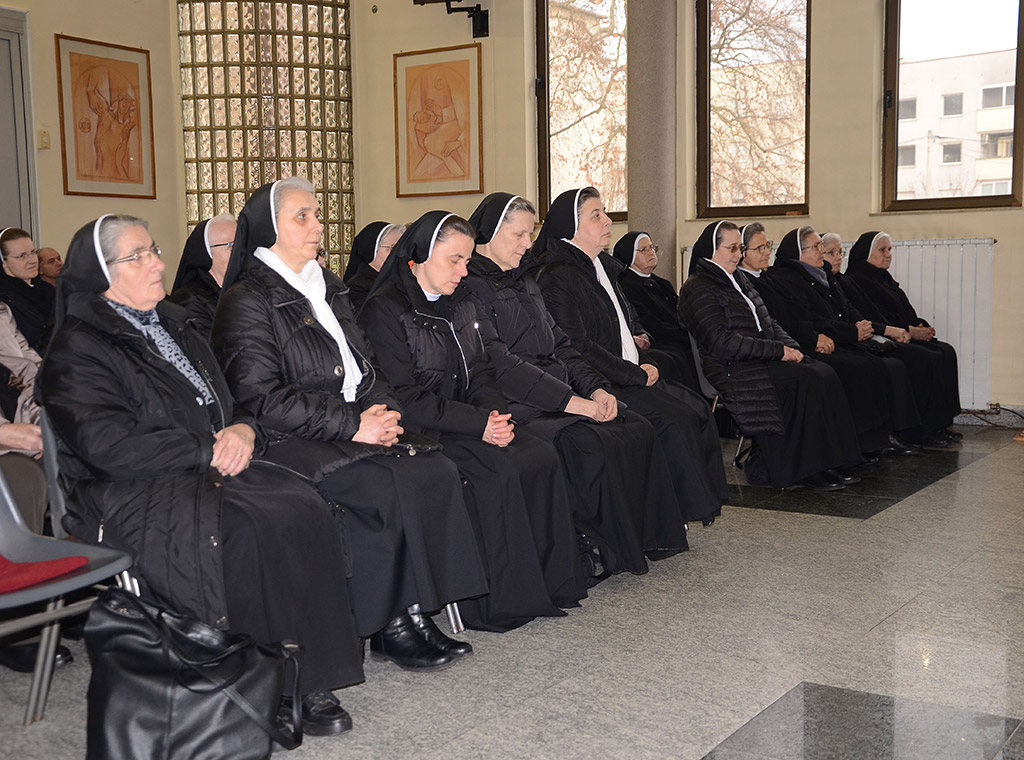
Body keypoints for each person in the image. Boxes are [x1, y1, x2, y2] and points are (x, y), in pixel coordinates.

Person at [38, 214, 360, 736]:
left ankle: (309, 672)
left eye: (154, 250)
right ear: (101, 272)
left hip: (206, 466)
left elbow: (233, 402)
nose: (156, 263)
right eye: (137, 256)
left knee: (304, 504)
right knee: (246, 530)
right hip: (125, 489)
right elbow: (108, 447)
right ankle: (263, 683)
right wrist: (206, 448)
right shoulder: (78, 347)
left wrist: (245, 431)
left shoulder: (175, 323)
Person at [213, 179, 487, 667]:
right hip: (287, 437)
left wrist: (384, 410)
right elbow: (263, 398)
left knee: (435, 470)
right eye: (303, 216)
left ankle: (415, 610)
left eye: (317, 214)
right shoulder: (247, 298)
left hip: (349, 424)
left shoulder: (328, 287)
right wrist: (353, 425)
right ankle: (390, 622)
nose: (318, 225)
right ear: (270, 227)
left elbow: (367, 365)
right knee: (384, 485)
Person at [359, 209, 587, 631]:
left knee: (539, 454)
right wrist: (479, 424)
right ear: (421, 255)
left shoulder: (461, 302)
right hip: (421, 429)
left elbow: (481, 370)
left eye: (466, 260)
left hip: (468, 418)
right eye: (454, 260)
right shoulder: (384, 310)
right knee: (497, 470)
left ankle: (550, 583)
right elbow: (404, 397)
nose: (463, 272)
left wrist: (494, 415)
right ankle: (500, 599)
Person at [464, 193, 689, 578]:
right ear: (489, 232)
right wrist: (572, 402)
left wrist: (597, 389)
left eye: (530, 234)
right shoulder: (470, 288)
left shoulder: (526, 280)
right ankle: (593, 544)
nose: (528, 244)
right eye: (519, 235)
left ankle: (637, 539)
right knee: (589, 444)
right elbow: (503, 365)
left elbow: (563, 345)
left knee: (635, 427)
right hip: (517, 402)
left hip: (557, 392)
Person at [531, 187, 726, 526]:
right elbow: (577, 345)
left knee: (695, 408)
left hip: (625, 371)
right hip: (600, 382)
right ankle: (671, 514)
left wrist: (639, 361)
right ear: (571, 226)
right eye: (596, 215)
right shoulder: (557, 276)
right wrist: (632, 373)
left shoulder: (602, 267)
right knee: (672, 420)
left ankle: (689, 506)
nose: (608, 220)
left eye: (605, 212)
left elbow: (622, 326)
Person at [679, 220, 862, 491]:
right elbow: (721, 342)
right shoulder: (697, 288)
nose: (738, 255)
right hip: (732, 366)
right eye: (731, 248)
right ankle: (804, 468)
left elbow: (768, 322)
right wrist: (778, 351)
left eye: (739, 248)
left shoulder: (737, 278)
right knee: (805, 381)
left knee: (822, 372)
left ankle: (829, 461)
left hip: (758, 358)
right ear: (711, 251)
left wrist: (791, 347)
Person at [753, 226, 921, 457]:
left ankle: (879, 437)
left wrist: (860, 325)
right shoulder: (789, 279)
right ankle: (862, 442)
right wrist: (852, 332)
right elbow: (809, 320)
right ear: (799, 252)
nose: (822, 252)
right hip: (813, 341)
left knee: (877, 364)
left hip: (834, 337)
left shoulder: (823, 275)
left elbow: (846, 307)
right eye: (816, 247)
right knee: (863, 367)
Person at [841, 231, 961, 445]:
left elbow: (903, 309)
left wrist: (919, 324)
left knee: (945, 351)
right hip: (883, 336)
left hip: (902, 331)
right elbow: (874, 317)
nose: (888, 254)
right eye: (882, 250)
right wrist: (910, 330)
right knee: (924, 358)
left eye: (889, 249)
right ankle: (922, 429)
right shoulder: (857, 279)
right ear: (867, 253)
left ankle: (941, 423)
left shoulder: (883, 277)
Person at [612, 231, 701, 391]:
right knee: (680, 357)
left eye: (652, 247)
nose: (651, 252)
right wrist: (684, 335)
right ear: (628, 255)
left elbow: (680, 312)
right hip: (659, 340)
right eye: (643, 249)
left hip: (676, 336)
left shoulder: (661, 283)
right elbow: (647, 322)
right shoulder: (625, 285)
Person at [168, 214, 236, 337]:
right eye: (231, 246)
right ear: (207, 252)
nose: (240, 253)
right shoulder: (189, 300)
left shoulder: (241, 288)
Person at [0, 228, 53, 350]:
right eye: (22, 256)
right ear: (3, 262)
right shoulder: (4, 301)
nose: (32, 260)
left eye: (33, 252)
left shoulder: (48, 290)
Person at [342, 221, 404, 311]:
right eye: (392, 248)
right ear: (371, 251)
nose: (397, 254)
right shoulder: (357, 288)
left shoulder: (400, 280)